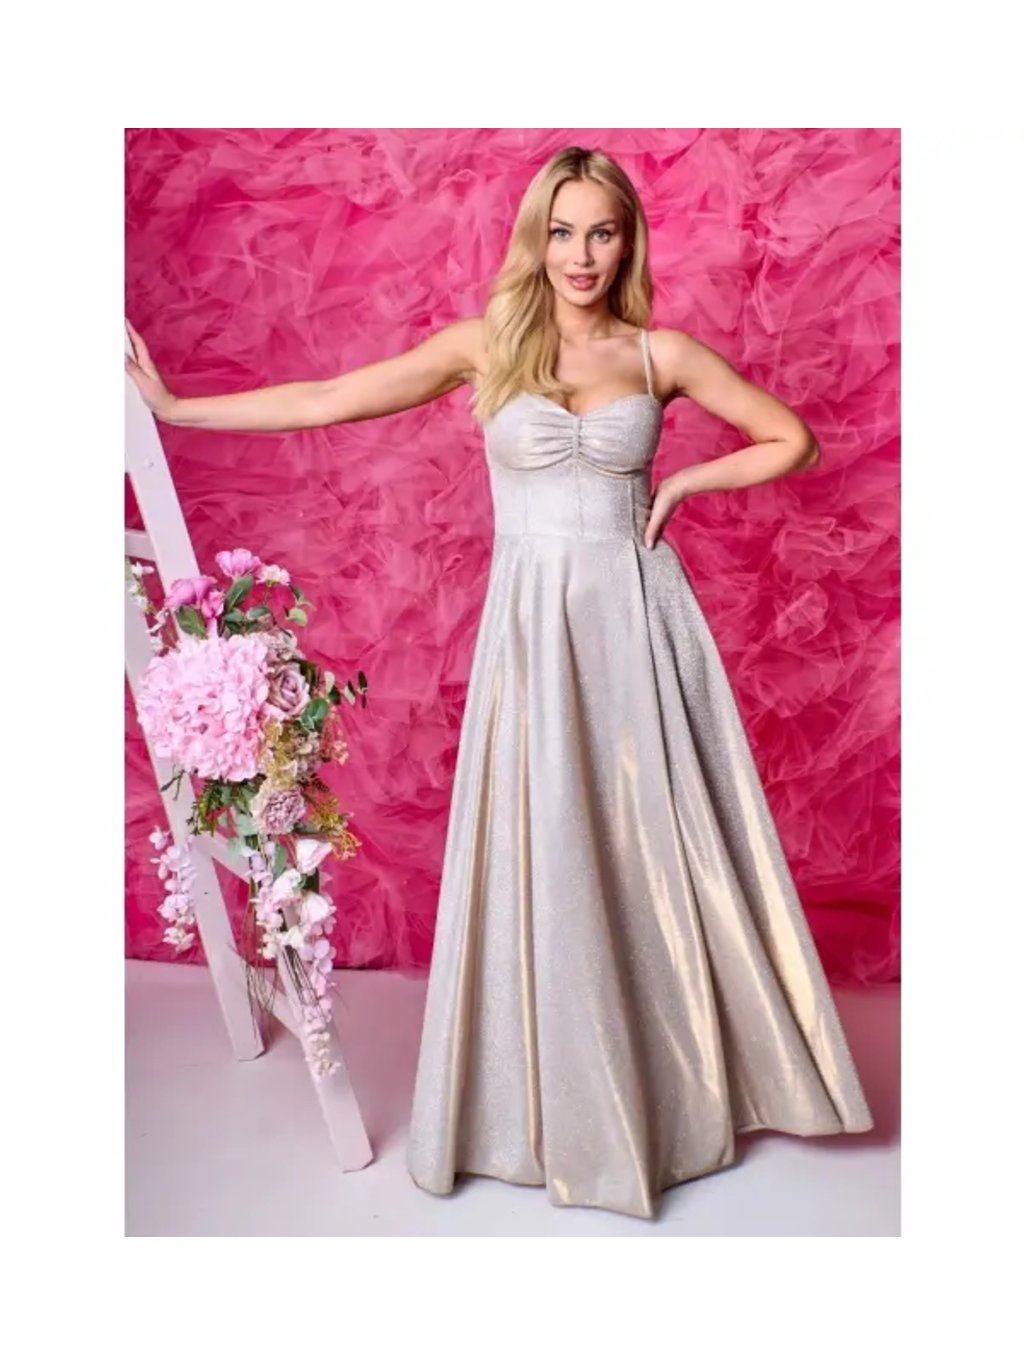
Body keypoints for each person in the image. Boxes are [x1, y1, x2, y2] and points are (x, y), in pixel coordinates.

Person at [126, 144, 873, 1221]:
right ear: (537, 237)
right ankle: (552, 1092)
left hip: (637, 621)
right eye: (562, 231)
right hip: (532, 632)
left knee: (658, 843)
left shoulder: (658, 352)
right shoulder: (486, 345)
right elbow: (333, 397)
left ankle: (678, 1080)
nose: (581, 254)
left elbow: (789, 440)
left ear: (628, 239)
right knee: (549, 838)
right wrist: (180, 410)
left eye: (601, 231)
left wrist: (684, 485)